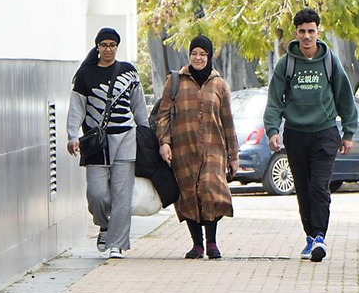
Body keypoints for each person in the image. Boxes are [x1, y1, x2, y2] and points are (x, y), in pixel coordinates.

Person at [264, 8, 358, 262]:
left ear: (319, 31)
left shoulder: (330, 61)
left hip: (326, 133)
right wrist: (273, 130)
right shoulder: (287, 63)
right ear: (296, 33)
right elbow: (274, 100)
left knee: (319, 186)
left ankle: (320, 236)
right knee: (303, 188)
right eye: (302, 31)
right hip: (296, 134)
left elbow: (345, 97)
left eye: (311, 31)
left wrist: (348, 132)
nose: (307, 36)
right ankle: (309, 236)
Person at [154, 35, 239, 259]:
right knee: (188, 193)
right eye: (194, 54)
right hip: (183, 147)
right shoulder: (175, 82)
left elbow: (228, 121)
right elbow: (162, 116)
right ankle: (197, 244)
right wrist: (164, 142)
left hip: (214, 148)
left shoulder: (219, 85)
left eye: (202, 54)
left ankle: (212, 242)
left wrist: (233, 156)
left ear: (209, 56)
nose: (198, 58)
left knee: (211, 190)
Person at [66, 28, 141, 259]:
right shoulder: (85, 74)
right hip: (96, 143)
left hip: (126, 138)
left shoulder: (129, 72)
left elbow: (138, 106)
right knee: (97, 194)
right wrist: (72, 135)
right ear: (97, 47)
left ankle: (117, 244)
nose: (108, 49)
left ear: (117, 47)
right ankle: (105, 225)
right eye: (104, 45)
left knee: (122, 194)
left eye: (112, 45)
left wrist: (146, 133)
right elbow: (77, 107)